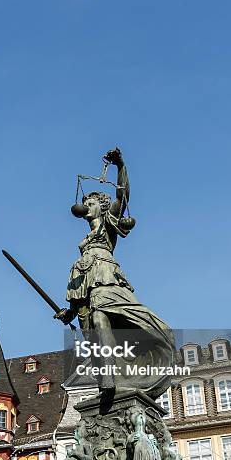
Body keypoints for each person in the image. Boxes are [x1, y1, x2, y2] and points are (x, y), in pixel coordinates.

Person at [55, 148, 175, 397]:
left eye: (91, 204)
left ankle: (111, 377)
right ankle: (108, 378)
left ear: (102, 207)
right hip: (92, 293)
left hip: (109, 282)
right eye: (85, 204)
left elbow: (124, 194)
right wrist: (70, 312)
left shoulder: (108, 226)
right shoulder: (84, 246)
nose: (86, 208)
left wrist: (120, 165)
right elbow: (81, 293)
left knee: (102, 318)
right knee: (96, 323)